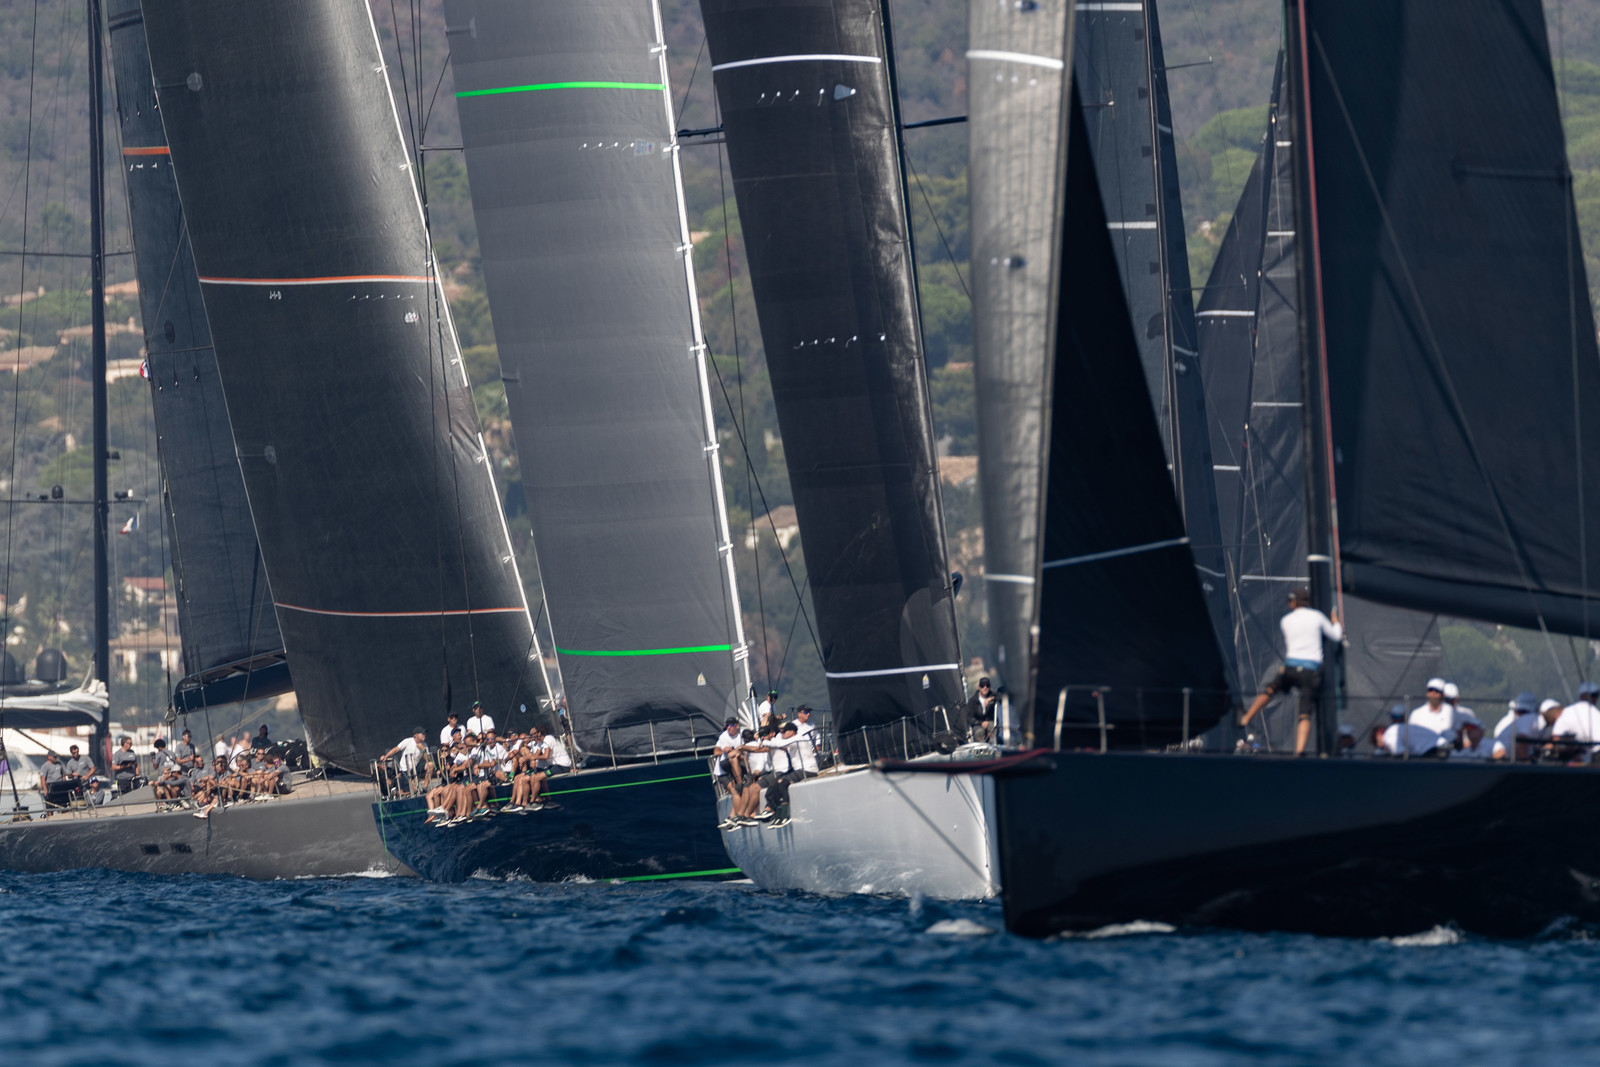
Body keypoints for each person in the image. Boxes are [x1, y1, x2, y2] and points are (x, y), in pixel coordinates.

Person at [1239, 587, 1343, 756]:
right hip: (1310, 670)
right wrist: (1335, 621)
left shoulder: (1285, 620)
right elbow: (1336, 636)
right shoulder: (1317, 617)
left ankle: (1247, 716)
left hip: (1290, 667)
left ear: (1294, 602)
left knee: (1270, 689)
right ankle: (1299, 751)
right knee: (1304, 714)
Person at [1552, 681, 1600, 763]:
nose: (1595, 698)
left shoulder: (1568, 711)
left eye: (1596, 695)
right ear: (1582, 696)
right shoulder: (1596, 713)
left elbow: (1555, 736)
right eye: (1593, 695)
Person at [1374, 705, 1444, 757]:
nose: (1395, 720)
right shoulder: (1405, 728)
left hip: (1432, 751)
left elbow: (1400, 755)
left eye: (1398, 717)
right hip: (1441, 747)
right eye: (1393, 717)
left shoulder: (1390, 733)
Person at [381, 728, 429, 797]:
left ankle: (424, 788)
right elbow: (396, 749)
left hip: (416, 768)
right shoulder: (408, 741)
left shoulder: (424, 745)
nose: (425, 735)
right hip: (405, 769)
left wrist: (423, 750)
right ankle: (397, 791)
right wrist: (386, 756)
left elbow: (428, 759)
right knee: (412, 789)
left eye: (425, 734)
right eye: (423, 734)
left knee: (430, 765)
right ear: (416, 735)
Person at [1407, 679, 1457, 744]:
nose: (1433, 694)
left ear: (1443, 694)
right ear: (1427, 693)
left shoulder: (1452, 712)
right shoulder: (1416, 714)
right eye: (1430, 690)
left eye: (1437, 691)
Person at [791, 706, 820, 779]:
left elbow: (817, 735)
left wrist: (817, 745)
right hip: (799, 756)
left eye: (809, 712)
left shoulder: (812, 725)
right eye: (806, 712)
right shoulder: (793, 725)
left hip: (812, 754)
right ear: (799, 714)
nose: (808, 714)